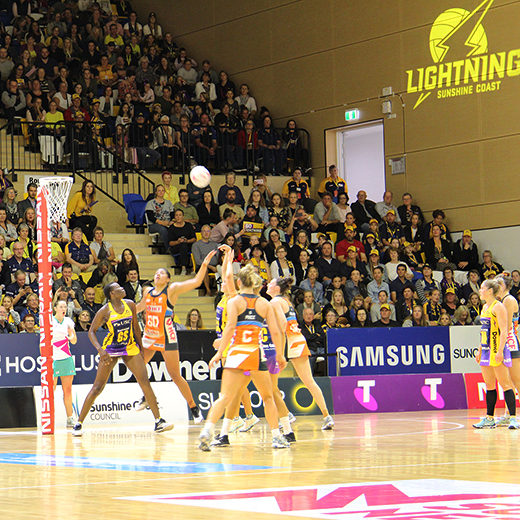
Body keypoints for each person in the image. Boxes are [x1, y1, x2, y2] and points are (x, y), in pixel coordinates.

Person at [198, 265, 290, 451]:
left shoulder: (234, 302)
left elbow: (229, 329)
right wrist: (280, 354)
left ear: (239, 282)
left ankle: (208, 429)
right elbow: (276, 332)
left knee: (225, 397)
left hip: (235, 353)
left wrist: (218, 353)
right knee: (268, 397)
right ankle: (276, 436)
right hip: (255, 354)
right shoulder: (264, 303)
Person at [72, 282, 174, 436]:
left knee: (144, 381)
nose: (122, 289)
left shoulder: (130, 304)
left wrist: (140, 349)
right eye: (118, 288)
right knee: (98, 387)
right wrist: (100, 350)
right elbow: (91, 332)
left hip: (129, 347)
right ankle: (78, 424)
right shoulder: (104, 311)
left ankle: (158, 421)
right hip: (111, 349)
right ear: (112, 294)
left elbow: (135, 328)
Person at [135, 251, 217, 423]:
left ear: (167, 280)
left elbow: (195, 282)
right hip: (149, 336)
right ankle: (147, 398)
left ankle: (194, 408)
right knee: (139, 367)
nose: (158, 273)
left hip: (166, 337)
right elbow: (138, 308)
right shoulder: (147, 291)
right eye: (156, 272)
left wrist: (204, 264)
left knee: (175, 375)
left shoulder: (171, 290)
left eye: (162, 273)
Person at [268, 276, 334, 429]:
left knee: (271, 384)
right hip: (298, 340)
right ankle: (327, 416)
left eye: (271, 283)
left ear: (277, 288)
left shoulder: (275, 302)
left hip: (287, 342)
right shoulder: (286, 301)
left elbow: (283, 324)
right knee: (309, 381)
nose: (268, 285)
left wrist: (281, 350)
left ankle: (286, 414)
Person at [473, 279, 518, 429]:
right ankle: (489, 418)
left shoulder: (499, 307)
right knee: (489, 385)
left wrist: (500, 350)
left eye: (481, 288)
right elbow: (484, 332)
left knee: (506, 384)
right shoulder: (484, 307)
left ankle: (512, 418)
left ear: (490, 291)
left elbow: (505, 330)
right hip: (486, 350)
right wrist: (479, 349)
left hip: (497, 349)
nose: (479, 291)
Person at [52, 299, 77, 427]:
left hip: (66, 358)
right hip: (53, 359)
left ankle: (70, 418)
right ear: (55, 308)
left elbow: (74, 341)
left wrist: (70, 335)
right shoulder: (49, 321)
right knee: (52, 389)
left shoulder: (68, 321)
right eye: (61, 306)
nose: (63, 309)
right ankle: (49, 418)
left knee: (67, 390)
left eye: (65, 307)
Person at [192, 225, 219, 296]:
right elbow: (198, 261)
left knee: (222, 268)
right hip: (202, 266)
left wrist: (217, 266)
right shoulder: (196, 245)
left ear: (210, 233)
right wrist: (210, 266)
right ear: (201, 233)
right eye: (204, 231)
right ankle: (208, 291)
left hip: (214, 266)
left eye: (208, 231)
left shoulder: (215, 245)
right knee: (204, 269)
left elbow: (218, 257)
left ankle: (218, 290)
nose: (206, 233)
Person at [168, 208, 196, 275]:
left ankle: (194, 269)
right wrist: (177, 242)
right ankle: (183, 268)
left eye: (180, 215)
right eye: (177, 215)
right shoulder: (172, 227)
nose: (178, 217)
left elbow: (194, 239)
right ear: (174, 217)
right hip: (176, 247)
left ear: (183, 216)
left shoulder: (188, 225)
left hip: (188, 244)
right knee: (183, 246)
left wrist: (187, 240)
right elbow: (170, 243)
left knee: (195, 246)